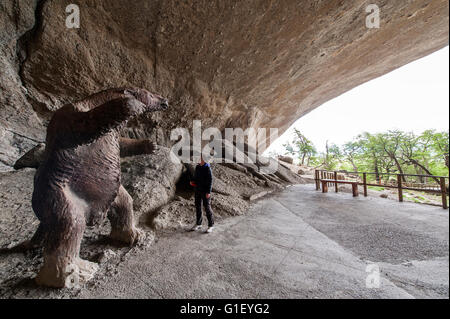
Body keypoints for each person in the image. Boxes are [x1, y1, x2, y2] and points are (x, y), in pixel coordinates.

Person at [190, 156, 214, 233]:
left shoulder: (207, 169)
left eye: (200, 159)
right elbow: (195, 177)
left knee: (207, 208)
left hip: (205, 191)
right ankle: (198, 224)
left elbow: (210, 181)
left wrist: (208, 192)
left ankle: (211, 225)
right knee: (198, 207)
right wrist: (192, 181)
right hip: (197, 190)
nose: (198, 160)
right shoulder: (197, 167)